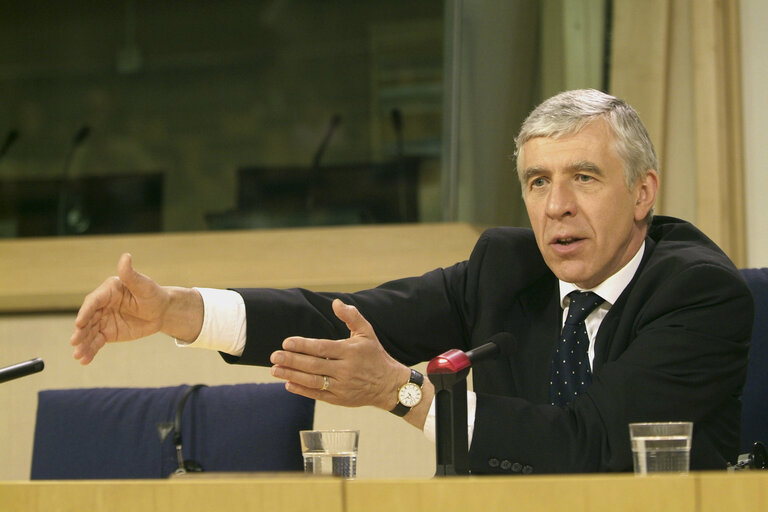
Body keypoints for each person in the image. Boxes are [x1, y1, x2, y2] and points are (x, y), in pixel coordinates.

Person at [70, 89, 752, 474]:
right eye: (538, 182)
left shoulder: (697, 292)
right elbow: (348, 319)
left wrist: (404, 394)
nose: (556, 207)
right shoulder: (506, 270)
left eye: (584, 178)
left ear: (642, 194)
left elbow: (592, 448)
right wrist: (179, 310)